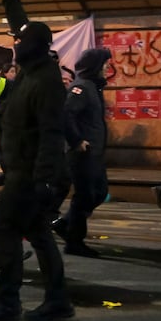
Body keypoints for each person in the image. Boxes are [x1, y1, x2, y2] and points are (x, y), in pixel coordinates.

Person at [0, 0, 74, 321]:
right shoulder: (33, 67)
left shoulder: (45, 81)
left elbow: (52, 132)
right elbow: (23, 26)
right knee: (40, 234)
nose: (14, 44)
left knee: (6, 230)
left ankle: (7, 301)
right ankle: (58, 299)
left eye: (20, 43)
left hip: (29, 175)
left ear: (36, 48)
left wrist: (45, 180)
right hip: (23, 171)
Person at [51, 48, 112, 258]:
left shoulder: (93, 88)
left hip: (95, 152)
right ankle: (74, 242)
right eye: (104, 63)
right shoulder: (81, 88)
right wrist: (77, 141)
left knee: (100, 192)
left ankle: (64, 224)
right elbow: (67, 115)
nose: (106, 67)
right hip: (82, 153)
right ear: (95, 66)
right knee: (85, 196)